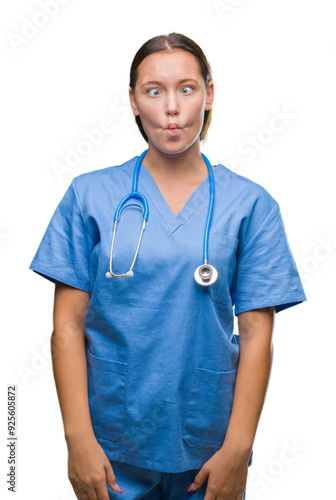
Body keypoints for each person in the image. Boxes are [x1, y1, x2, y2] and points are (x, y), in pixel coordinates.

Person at [28, 32, 307, 500]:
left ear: (209, 94)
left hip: (210, 444)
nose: (171, 107)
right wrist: (77, 439)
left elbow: (258, 332)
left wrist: (238, 448)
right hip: (112, 442)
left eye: (187, 88)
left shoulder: (251, 204)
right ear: (134, 102)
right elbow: (67, 327)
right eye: (153, 91)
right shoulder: (89, 195)